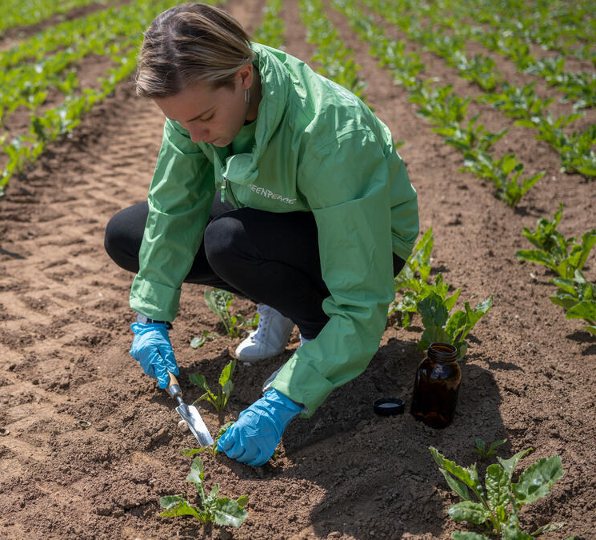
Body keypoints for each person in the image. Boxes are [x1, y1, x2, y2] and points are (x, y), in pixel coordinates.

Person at [103, 3, 419, 466]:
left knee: (229, 242)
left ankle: (318, 334)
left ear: (244, 77)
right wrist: (151, 315)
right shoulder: (199, 114)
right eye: (180, 123)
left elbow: (363, 299)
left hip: (366, 241)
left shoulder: (329, 130)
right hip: (269, 204)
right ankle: (280, 294)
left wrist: (286, 398)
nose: (194, 136)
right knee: (127, 233)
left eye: (204, 118)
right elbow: (174, 208)